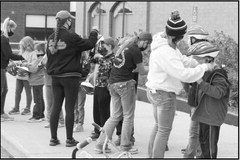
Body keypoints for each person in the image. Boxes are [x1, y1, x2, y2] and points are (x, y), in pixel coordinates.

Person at [145, 10, 217, 158]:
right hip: (164, 94)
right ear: (175, 37)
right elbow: (183, 74)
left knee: (159, 127)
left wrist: (198, 62)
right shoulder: (166, 52)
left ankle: (150, 156)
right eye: (179, 39)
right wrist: (204, 68)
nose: (179, 42)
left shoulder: (163, 42)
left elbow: (182, 59)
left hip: (153, 90)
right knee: (164, 130)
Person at [46, 10, 98, 147]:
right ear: (67, 21)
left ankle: (53, 138)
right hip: (70, 77)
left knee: (56, 106)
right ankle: (69, 139)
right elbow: (89, 44)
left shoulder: (51, 38)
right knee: (70, 107)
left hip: (55, 77)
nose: (71, 23)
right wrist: (94, 32)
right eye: (71, 20)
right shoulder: (72, 36)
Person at [94, 32, 152, 153]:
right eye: (147, 43)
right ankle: (125, 146)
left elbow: (127, 66)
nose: (146, 46)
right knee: (128, 116)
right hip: (125, 84)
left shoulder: (125, 46)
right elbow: (141, 71)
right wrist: (155, 67)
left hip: (113, 83)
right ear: (143, 41)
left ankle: (100, 144)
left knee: (115, 116)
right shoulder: (136, 51)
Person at [189, 41, 231, 158]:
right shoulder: (206, 72)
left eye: (198, 59)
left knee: (210, 150)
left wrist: (201, 82)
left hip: (212, 117)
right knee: (203, 145)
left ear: (208, 59)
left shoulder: (218, 74)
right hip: (204, 115)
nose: (196, 62)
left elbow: (218, 93)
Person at [182, 25, 210, 158]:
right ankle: (196, 151)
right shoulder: (205, 52)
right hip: (198, 95)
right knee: (198, 128)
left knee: (195, 129)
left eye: (190, 38)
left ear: (195, 39)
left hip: (200, 97)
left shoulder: (201, 55)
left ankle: (193, 154)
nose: (188, 41)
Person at [89, 37, 116, 140]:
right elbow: (92, 61)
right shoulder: (102, 57)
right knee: (96, 110)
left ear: (109, 46)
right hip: (98, 85)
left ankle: (105, 133)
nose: (102, 48)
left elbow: (107, 66)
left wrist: (100, 57)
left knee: (104, 110)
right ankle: (97, 130)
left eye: (104, 46)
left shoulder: (112, 57)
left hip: (105, 87)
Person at [1, 17, 25, 121]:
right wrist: (23, 57)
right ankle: (1, 114)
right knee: (2, 90)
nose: (13, 32)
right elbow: (9, 54)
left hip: (3, 67)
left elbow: (4, 55)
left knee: (4, 90)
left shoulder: (3, 38)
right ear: (9, 27)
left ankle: (1, 113)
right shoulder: (3, 39)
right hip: (1, 68)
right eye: (13, 29)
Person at [8, 36, 34, 116]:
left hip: (27, 77)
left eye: (23, 44)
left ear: (28, 44)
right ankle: (16, 108)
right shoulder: (21, 52)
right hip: (19, 76)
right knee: (17, 92)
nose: (21, 46)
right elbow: (18, 61)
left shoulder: (32, 53)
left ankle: (28, 108)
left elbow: (32, 64)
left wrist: (23, 63)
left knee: (28, 92)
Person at [41, 53, 65, 128]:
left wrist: (46, 65)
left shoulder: (56, 57)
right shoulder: (45, 56)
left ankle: (61, 121)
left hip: (54, 82)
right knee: (49, 103)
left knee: (55, 102)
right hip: (47, 82)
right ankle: (50, 120)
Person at [26, 42, 46, 122]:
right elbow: (33, 65)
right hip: (38, 81)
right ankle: (41, 114)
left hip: (36, 81)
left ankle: (36, 116)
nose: (35, 52)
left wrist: (26, 66)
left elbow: (34, 69)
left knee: (37, 99)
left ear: (41, 51)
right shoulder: (40, 58)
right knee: (40, 98)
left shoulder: (40, 59)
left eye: (37, 50)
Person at [73, 51, 90, 132]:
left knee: (80, 105)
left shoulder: (86, 62)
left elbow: (86, 72)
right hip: (74, 83)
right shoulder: (73, 60)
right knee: (74, 105)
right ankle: (75, 122)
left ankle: (80, 123)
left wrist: (78, 70)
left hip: (82, 83)